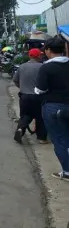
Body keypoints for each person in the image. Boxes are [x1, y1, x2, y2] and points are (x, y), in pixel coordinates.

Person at [34, 36, 69, 181]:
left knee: (60, 140)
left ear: (48, 50)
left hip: (53, 108)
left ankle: (67, 172)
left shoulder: (46, 67)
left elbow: (40, 90)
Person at [12, 48, 48, 144]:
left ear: (29, 56)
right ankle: (41, 138)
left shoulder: (22, 67)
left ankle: (20, 130)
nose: (41, 56)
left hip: (24, 97)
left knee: (25, 115)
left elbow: (15, 80)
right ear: (38, 56)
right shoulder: (42, 67)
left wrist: (22, 87)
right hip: (39, 97)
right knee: (40, 116)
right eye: (40, 55)